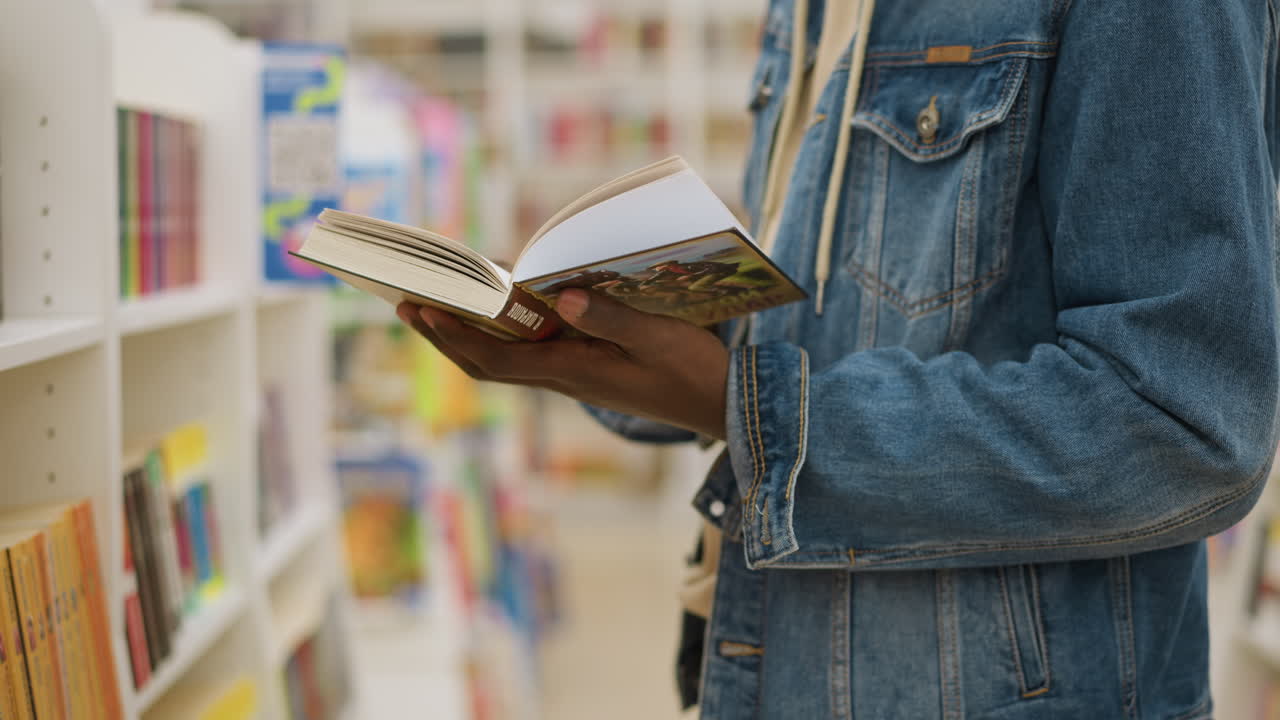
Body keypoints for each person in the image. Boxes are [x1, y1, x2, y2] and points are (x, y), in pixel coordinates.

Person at [397, 0, 1280, 717]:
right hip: (781, 656)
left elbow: (1183, 418)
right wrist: (621, 341)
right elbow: (838, 322)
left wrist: (752, 409)